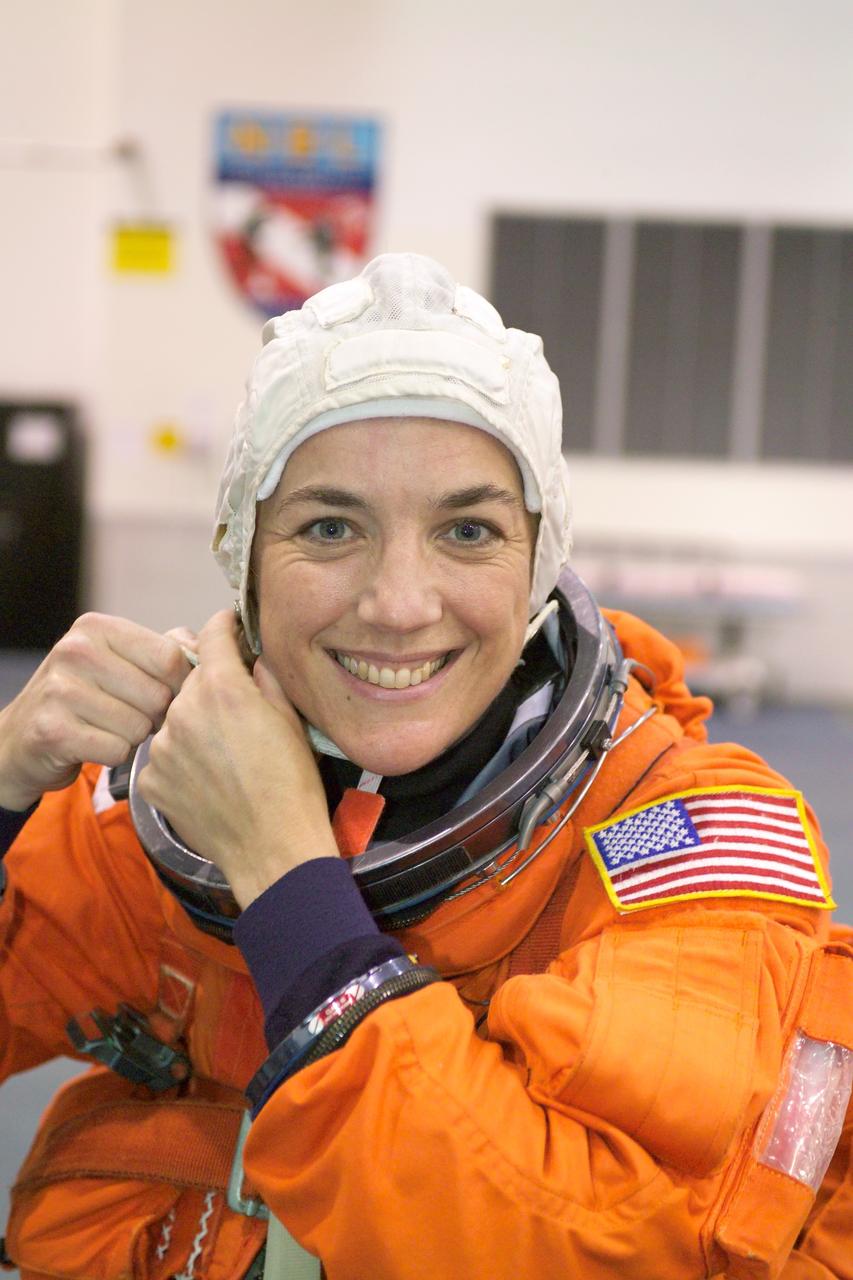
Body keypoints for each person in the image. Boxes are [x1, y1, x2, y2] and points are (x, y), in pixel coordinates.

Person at [0, 252, 850, 1280]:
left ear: (538, 560)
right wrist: (3, 791)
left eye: (466, 529)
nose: (399, 601)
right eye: (329, 525)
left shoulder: (689, 840)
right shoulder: (161, 808)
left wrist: (286, 886)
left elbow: (593, 1244)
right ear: (243, 559)